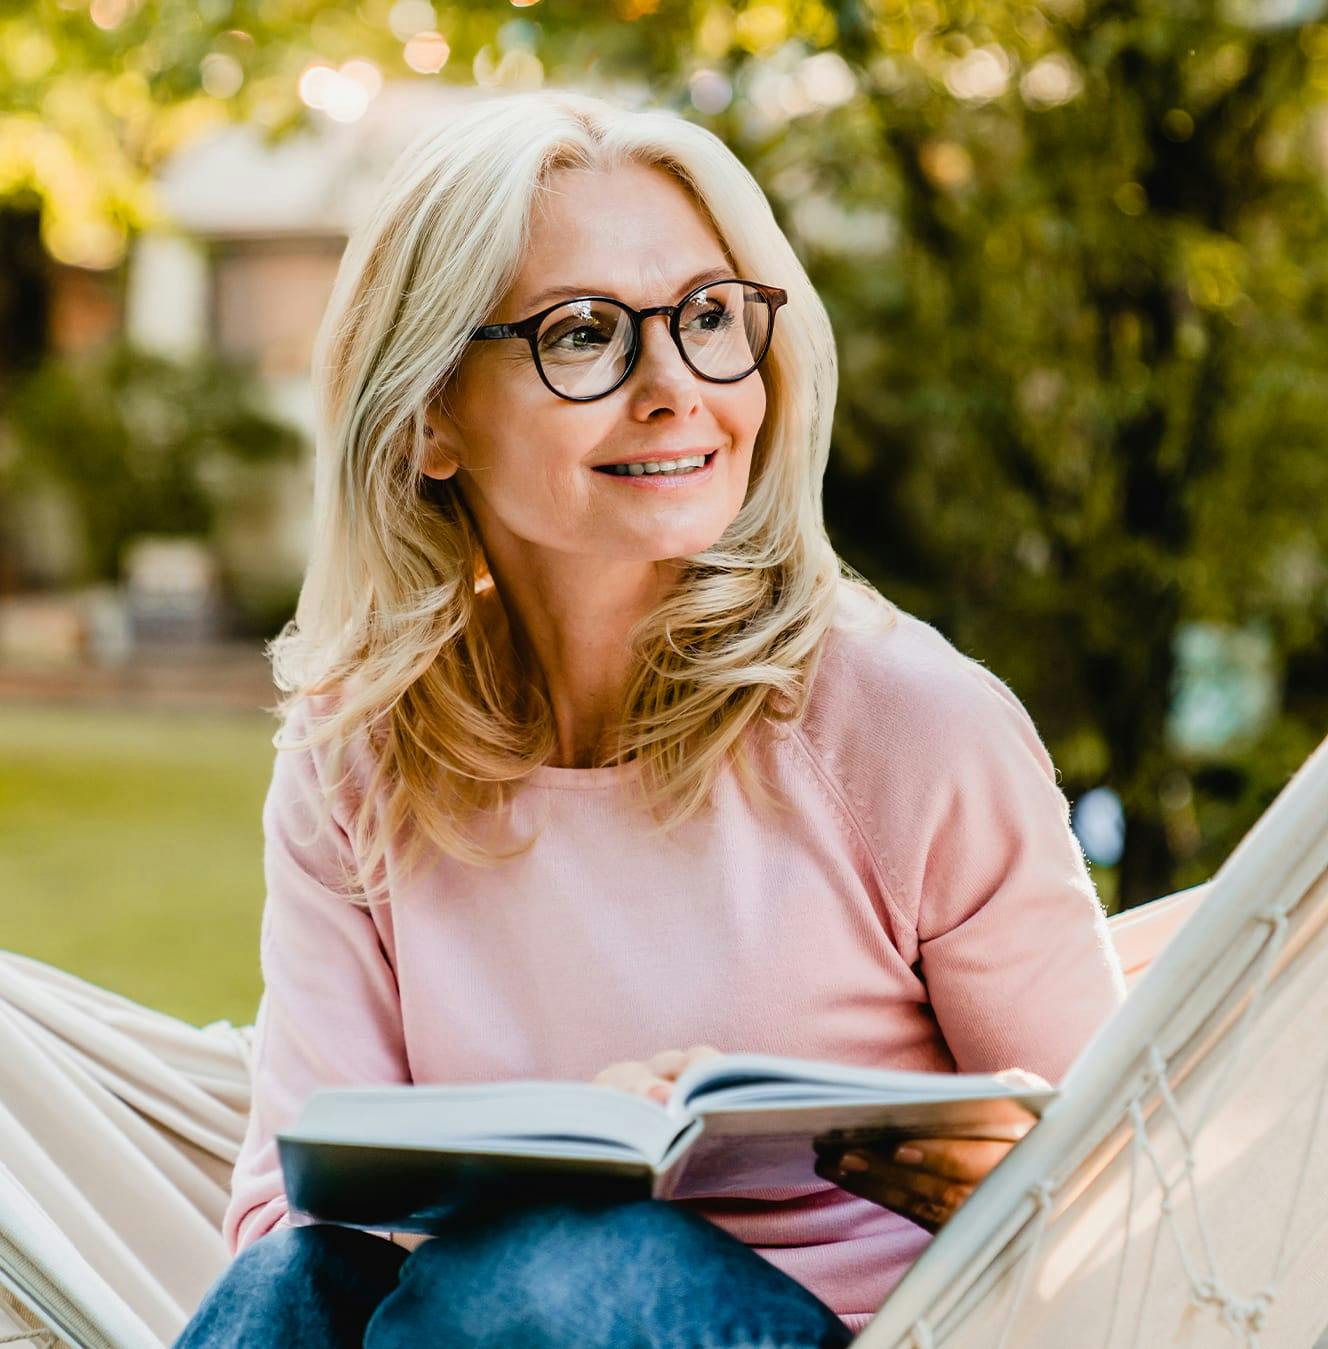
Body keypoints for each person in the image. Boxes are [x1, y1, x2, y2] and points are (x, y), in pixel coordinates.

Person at [173, 85, 1126, 1348]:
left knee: (561, 1274)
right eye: (581, 334)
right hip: (474, 1322)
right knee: (291, 1285)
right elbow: (292, 1229)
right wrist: (567, 1148)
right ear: (429, 418)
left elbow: (1121, 1187)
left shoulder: (907, 725)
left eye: (708, 316)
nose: (676, 385)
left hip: (879, 1330)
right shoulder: (359, 755)